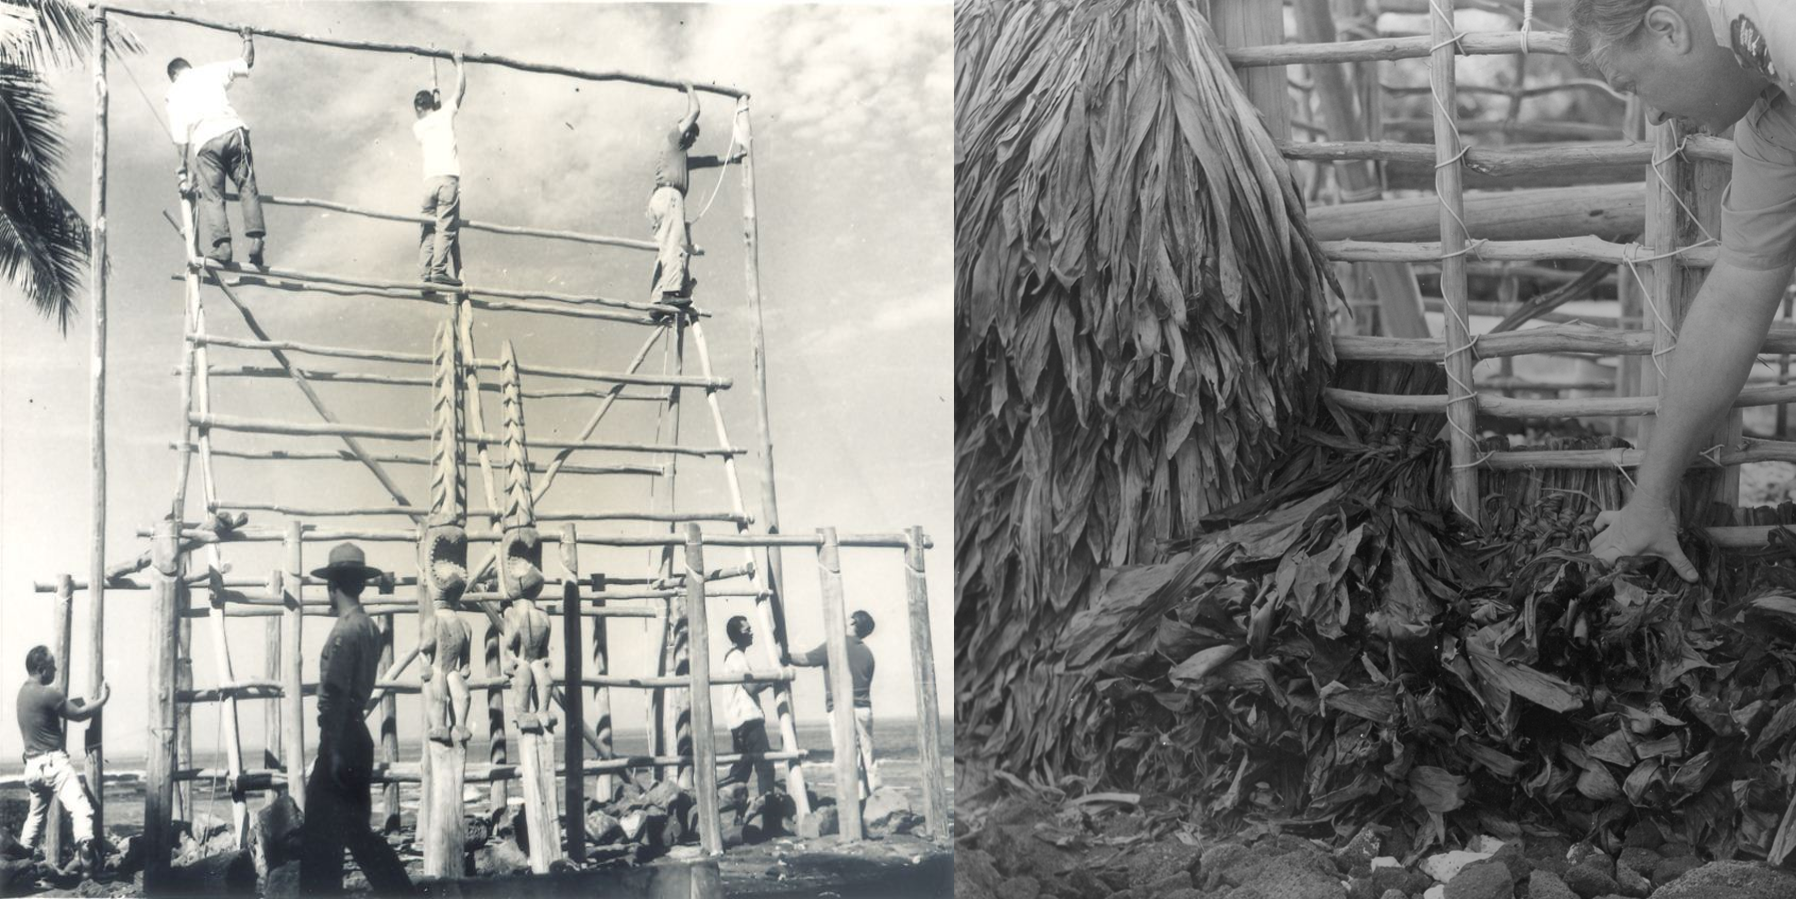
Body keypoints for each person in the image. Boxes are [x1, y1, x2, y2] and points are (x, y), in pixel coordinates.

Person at [1570, 1, 1796, 580]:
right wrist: (1649, 500)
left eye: (1633, 85)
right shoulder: (1776, 113)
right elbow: (1733, 299)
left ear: (1668, 29)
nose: (1650, 117)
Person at [299, 543, 414, 896]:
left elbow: (333, 694)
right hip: (357, 736)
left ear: (331, 587)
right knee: (354, 831)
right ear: (361, 585)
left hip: (340, 736)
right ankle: (401, 892)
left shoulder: (344, 632)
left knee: (320, 835)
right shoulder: (370, 630)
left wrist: (331, 750)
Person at [166, 28, 266, 268]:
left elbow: (180, 136)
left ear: (173, 76)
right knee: (246, 186)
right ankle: (256, 241)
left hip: (205, 143)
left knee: (213, 197)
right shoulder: (211, 70)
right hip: (233, 131)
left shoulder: (173, 92)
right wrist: (248, 36)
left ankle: (223, 247)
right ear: (187, 66)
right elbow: (247, 61)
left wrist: (182, 169)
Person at [11, 647, 108, 877]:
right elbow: (80, 713)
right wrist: (104, 699)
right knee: (81, 808)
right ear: (41, 669)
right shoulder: (48, 693)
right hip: (54, 762)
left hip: (32, 765)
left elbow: (48, 713)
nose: (55, 669)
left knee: (34, 819)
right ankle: (86, 858)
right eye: (52, 666)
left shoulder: (22, 694)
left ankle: (22, 867)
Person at [791, 610, 879, 801]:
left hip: (841, 708)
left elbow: (805, 659)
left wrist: (785, 655)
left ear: (852, 622)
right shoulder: (867, 653)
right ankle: (874, 796)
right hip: (864, 709)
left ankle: (855, 801)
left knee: (846, 754)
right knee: (867, 754)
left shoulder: (836, 645)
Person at [647, 83, 703, 313]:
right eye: (692, 136)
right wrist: (690, 89)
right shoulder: (674, 138)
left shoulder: (678, 155)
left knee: (667, 246)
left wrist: (730, 159)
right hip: (669, 197)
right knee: (674, 243)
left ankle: (658, 299)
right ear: (685, 130)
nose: (693, 142)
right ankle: (669, 293)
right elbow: (695, 111)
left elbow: (703, 161)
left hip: (660, 198)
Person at [414, 52, 467, 287]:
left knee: (428, 229)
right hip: (447, 179)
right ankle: (438, 270)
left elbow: (432, 104)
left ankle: (425, 276)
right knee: (445, 226)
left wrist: (433, 76)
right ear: (433, 104)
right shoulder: (445, 113)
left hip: (429, 182)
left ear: (417, 108)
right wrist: (460, 65)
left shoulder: (418, 126)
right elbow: (460, 90)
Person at [718, 616, 777, 803]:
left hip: (737, 721)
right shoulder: (737, 657)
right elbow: (751, 687)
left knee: (741, 768)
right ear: (737, 635)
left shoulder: (732, 658)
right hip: (748, 719)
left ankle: (733, 806)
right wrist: (774, 679)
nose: (751, 633)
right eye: (746, 630)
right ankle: (766, 806)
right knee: (764, 764)